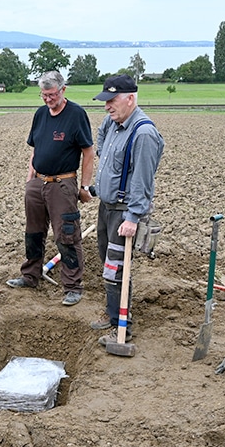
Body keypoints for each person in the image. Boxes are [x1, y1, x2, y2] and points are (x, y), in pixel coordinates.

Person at [5, 71, 94, 306]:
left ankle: (73, 286)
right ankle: (30, 275)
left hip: (62, 184)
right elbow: (35, 150)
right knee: (33, 232)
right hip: (37, 182)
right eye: (43, 95)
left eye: (52, 94)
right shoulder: (40, 114)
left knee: (66, 235)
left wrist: (84, 186)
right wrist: (29, 181)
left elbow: (88, 152)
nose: (47, 99)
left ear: (63, 90)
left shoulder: (76, 115)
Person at [89, 74, 165, 346]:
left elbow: (143, 182)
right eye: (105, 101)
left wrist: (133, 218)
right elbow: (103, 147)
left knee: (117, 269)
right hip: (106, 207)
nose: (107, 106)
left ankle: (122, 326)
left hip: (123, 212)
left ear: (130, 98)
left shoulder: (143, 133)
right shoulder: (114, 123)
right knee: (106, 264)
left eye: (112, 101)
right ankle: (111, 314)